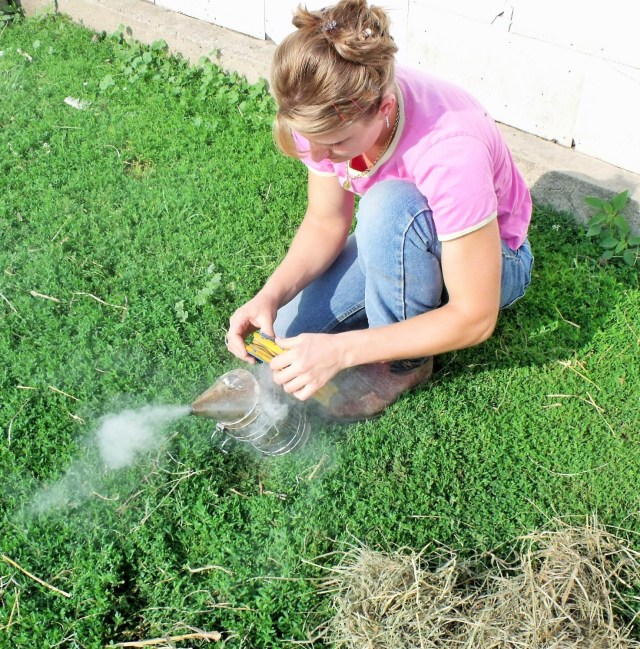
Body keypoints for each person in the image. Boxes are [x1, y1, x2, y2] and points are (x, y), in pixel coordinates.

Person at [226, 0, 533, 421]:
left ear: (385, 109)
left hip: (493, 263)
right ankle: (390, 311)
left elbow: (475, 316)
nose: (320, 157)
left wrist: (342, 350)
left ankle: (401, 365)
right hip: (403, 233)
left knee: (388, 206)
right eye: (309, 141)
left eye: (334, 145)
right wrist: (270, 296)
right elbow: (325, 221)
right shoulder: (326, 108)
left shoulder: (450, 151)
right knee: (289, 339)